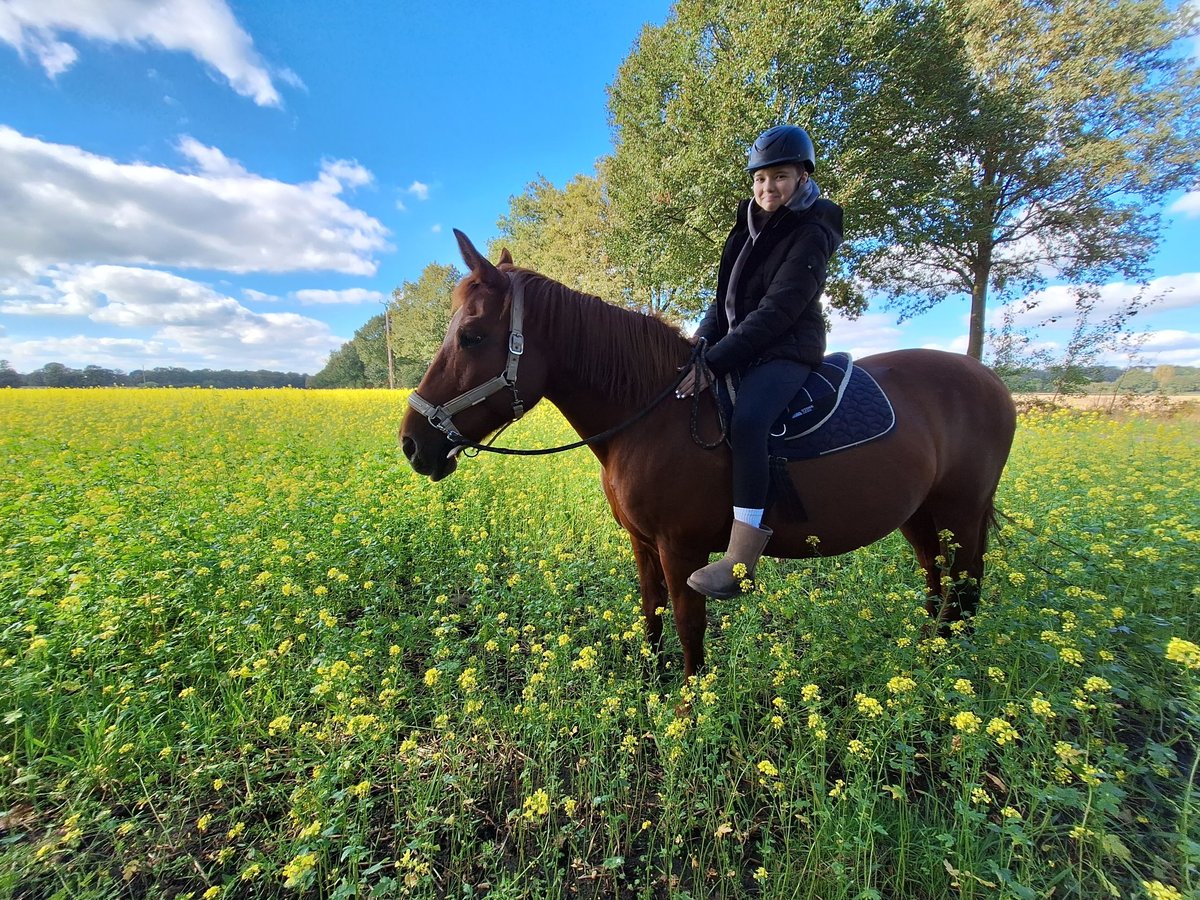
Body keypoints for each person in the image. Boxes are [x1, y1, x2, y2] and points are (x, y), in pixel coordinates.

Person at [676, 124, 844, 599]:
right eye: (761, 178)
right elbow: (721, 301)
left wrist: (717, 361)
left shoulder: (812, 230)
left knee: (749, 421)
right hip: (742, 343)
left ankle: (739, 559)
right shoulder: (746, 223)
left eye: (781, 177)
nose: (768, 188)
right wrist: (700, 346)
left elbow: (778, 312)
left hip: (787, 348)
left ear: (802, 177)